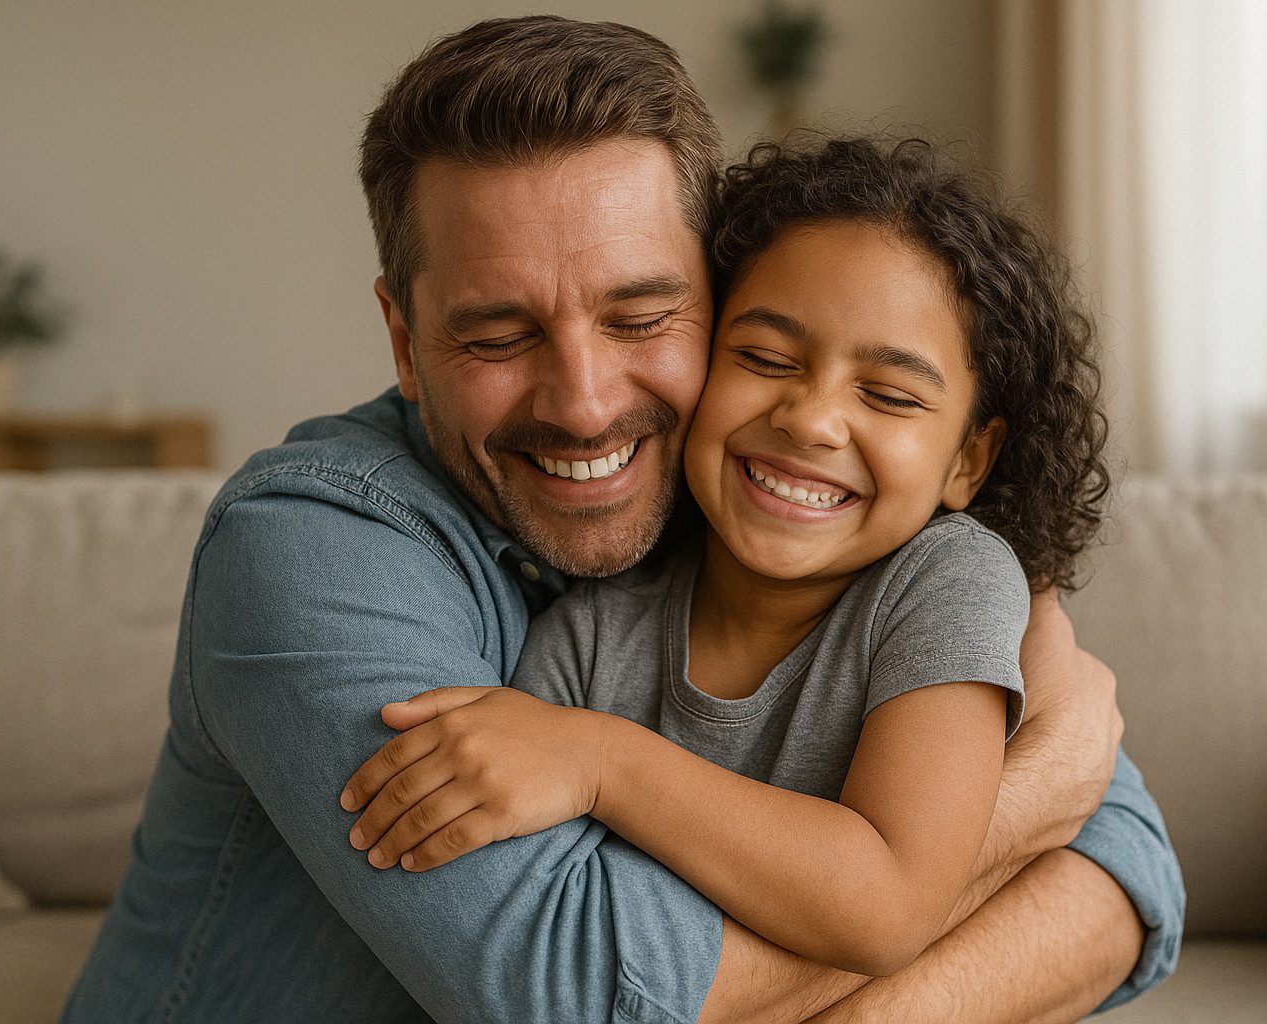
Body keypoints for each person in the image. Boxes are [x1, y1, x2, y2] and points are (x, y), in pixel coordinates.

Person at [61, 16, 1182, 1024]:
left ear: (714, 294)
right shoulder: (306, 553)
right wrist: (1038, 785)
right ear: (405, 340)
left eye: (641, 317)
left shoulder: (757, 507)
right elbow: (583, 993)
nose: (587, 404)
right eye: (499, 337)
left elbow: (1123, 859)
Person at [333, 131, 1132, 983]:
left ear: (969, 460)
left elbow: (889, 901)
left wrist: (602, 762)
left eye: (890, 395)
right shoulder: (585, 641)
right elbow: (563, 929)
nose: (811, 419)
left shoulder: (948, 583)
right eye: (763, 358)